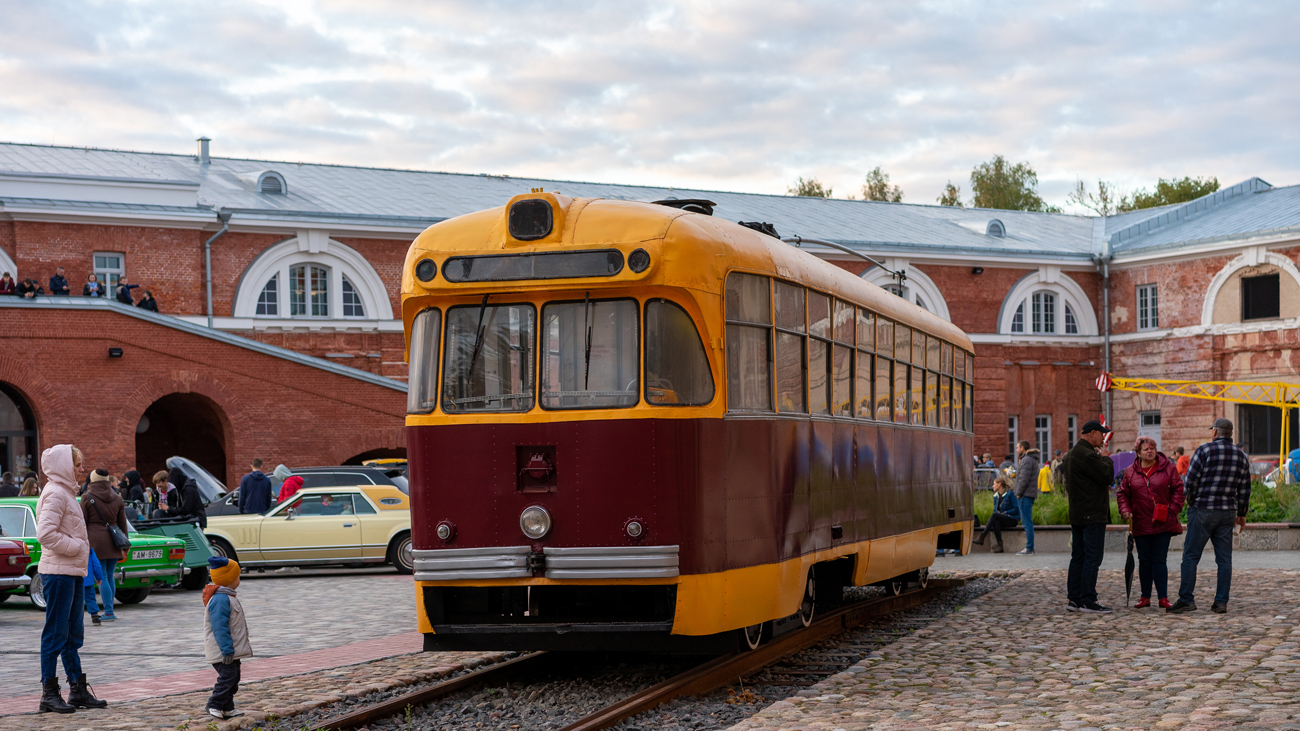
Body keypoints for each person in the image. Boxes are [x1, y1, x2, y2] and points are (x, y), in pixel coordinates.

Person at [35, 444, 108, 713]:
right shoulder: (55, 494)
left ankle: (76, 689)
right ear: (64, 466)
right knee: (55, 633)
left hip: (73, 572)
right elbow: (45, 534)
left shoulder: (67, 493)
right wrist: (78, 547)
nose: (81, 469)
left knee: (72, 634)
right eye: (77, 464)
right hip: (58, 573)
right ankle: (49, 694)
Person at [1169, 417, 1252, 615]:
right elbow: (1244, 488)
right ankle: (1221, 602)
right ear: (1230, 433)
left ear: (1214, 432)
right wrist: (1241, 513)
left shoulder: (1204, 450)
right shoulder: (1241, 456)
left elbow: (1190, 481)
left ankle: (1186, 599)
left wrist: (1190, 498)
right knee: (1224, 559)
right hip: (1227, 513)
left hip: (1202, 510)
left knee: (1190, 556)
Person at [1116, 437, 1185, 609]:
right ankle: (1145, 597)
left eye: (1153, 448)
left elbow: (1179, 489)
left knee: (1160, 560)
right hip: (1140, 522)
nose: (1150, 451)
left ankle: (1163, 598)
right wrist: (1125, 510)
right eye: (1146, 449)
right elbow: (1123, 494)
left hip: (1163, 522)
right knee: (1144, 561)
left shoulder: (1168, 468)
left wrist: (1172, 510)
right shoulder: (1130, 471)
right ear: (1138, 453)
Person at [1063, 420, 1115, 614]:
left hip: (1078, 514)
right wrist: (1105, 457)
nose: (1103, 438)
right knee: (1092, 557)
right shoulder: (1087, 455)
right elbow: (1107, 476)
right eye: (1101, 434)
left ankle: (1074, 598)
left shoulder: (1073, 453)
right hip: (1092, 515)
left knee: (1078, 556)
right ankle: (1088, 599)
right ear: (1092, 433)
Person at [203, 556, 251, 720]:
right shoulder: (220, 599)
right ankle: (214, 704)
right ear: (229, 579)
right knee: (227, 677)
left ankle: (228, 707)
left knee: (234, 677)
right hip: (223, 650)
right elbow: (219, 627)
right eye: (237, 576)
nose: (239, 579)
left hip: (231, 650)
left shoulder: (228, 597)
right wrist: (227, 650)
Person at [81, 469, 128, 623]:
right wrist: (125, 545)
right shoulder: (118, 498)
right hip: (114, 541)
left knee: (101, 578)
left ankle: (108, 612)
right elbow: (122, 524)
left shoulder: (87, 497)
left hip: (95, 542)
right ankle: (110, 609)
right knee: (110, 576)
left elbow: (82, 523)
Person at [972, 476, 1019, 552]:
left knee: (995, 515)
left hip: (1012, 519)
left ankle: (982, 537)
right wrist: (1000, 515)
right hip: (1003, 519)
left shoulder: (1010, 494)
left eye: (994, 484)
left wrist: (1005, 513)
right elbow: (995, 510)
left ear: (999, 484)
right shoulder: (996, 496)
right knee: (995, 521)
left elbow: (1016, 508)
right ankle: (1000, 546)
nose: (992, 486)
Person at [1012, 440, 1040, 555]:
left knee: (1027, 522)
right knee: (1027, 521)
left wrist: (1018, 493)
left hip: (1025, 495)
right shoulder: (1028, 459)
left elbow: (1024, 479)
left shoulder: (1027, 460)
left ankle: (1029, 548)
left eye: (1018, 447)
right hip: (1027, 494)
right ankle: (1029, 548)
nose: (1016, 449)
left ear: (1023, 448)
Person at [82, 547, 106, 626]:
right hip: (87, 579)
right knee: (90, 598)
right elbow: (96, 565)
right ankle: (95, 616)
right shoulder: (89, 550)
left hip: (74, 579)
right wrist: (99, 577)